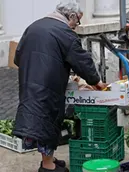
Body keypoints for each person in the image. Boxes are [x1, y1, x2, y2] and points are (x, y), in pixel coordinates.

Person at [12, 0, 107, 172]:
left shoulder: (34, 26)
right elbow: (82, 61)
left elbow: (17, 58)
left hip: (30, 82)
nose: (76, 26)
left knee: (38, 118)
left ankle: (49, 159)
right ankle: (48, 167)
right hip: (48, 85)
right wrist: (96, 82)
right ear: (70, 16)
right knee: (47, 121)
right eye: (77, 21)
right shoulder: (64, 32)